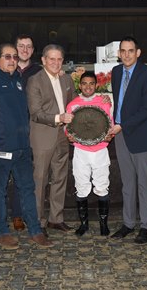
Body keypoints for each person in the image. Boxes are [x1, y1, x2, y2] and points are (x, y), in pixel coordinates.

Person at [0, 43, 52, 249]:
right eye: (7, 56)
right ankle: (2, 230)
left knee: (27, 188)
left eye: (15, 57)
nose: (12, 60)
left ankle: (35, 229)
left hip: (22, 148)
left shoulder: (17, 80)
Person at [108, 36, 147, 244]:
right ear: (119, 54)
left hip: (141, 136)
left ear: (138, 53)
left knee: (145, 183)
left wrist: (122, 125)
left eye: (131, 51)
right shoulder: (116, 72)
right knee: (127, 183)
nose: (127, 55)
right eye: (123, 51)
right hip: (120, 135)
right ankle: (128, 223)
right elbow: (120, 102)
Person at [26, 44, 77, 233]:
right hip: (42, 137)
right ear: (43, 60)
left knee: (60, 178)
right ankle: (38, 223)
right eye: (52, 59)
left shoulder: (67, 79)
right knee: (39, 180)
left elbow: (74, 103)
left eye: (59, 59)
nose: (56, 63)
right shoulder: (35, 81)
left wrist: (98, 100)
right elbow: (35, 112)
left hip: (63, 136)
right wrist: (59, 118)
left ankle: (56, 218)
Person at [65, 71, 114, 237]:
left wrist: (109, 136)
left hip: (100, 150)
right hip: (80, 151)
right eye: (84, 83)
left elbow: (110, 126)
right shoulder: (72, 105)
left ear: (96, 85)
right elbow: (68, 129)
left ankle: (103, 224)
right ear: (80, 85)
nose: (87, 87)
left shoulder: (104, 103)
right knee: (81, 187)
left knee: (102, 186)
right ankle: (83, 224)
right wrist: (69, 136)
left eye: (91, 84)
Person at [6, 34, 43, 232]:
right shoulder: (6, 70)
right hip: (11, 129)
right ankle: (16, 215)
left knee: (30, 174)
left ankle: (31, 213)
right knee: (12, 173)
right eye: (21, 46)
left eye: (29, 46)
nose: (25, 50)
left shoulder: (39, 71)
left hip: (34, 128)